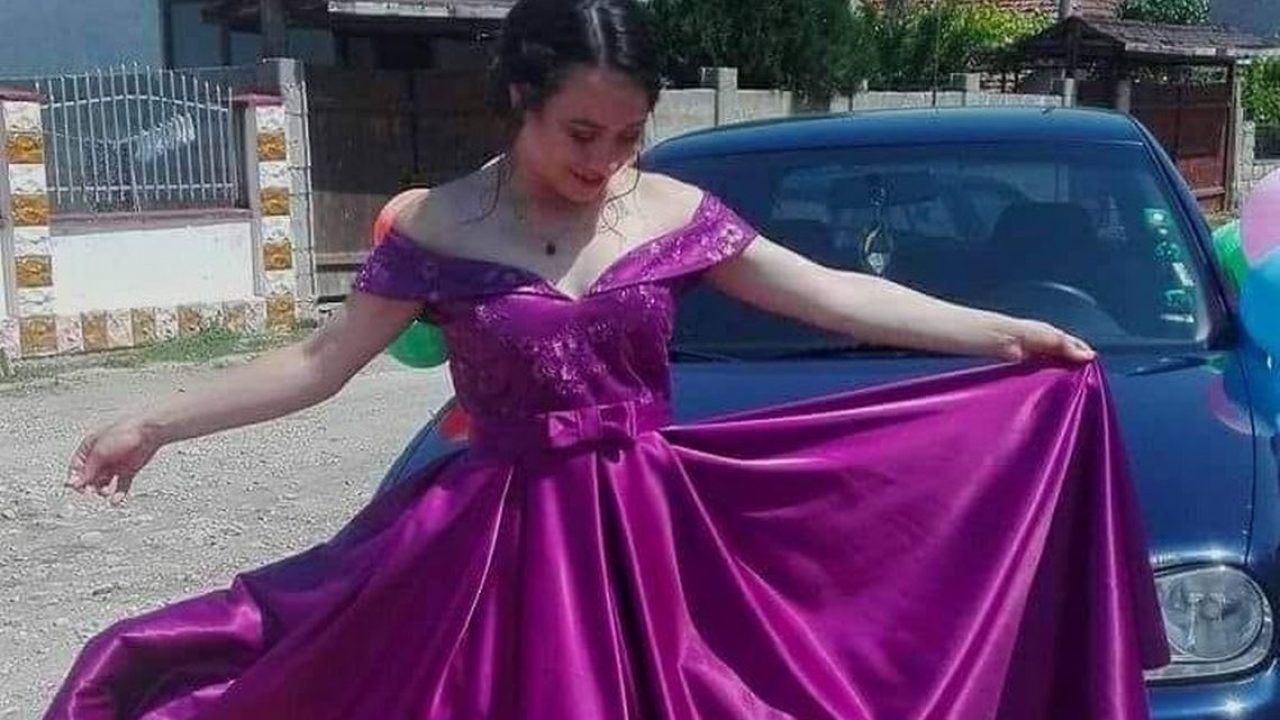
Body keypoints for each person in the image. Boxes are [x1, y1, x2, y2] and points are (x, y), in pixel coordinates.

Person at [45, 1, 1168, 718]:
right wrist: (155, 422)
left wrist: (1003, 333)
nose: (605, 160)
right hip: (491, 545)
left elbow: (832, 293)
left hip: (649, 530)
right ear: (519, 100)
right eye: (582, 133)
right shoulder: (439, 226)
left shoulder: (672, 211)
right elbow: (320, 362)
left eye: (628, 135)